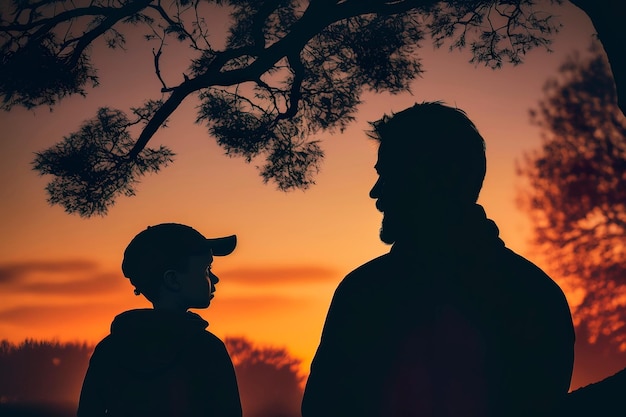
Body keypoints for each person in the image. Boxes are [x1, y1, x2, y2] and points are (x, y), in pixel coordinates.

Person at [301, 102, 575, 417]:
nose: (376, 193)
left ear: (431, 180)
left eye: (389, 175)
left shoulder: (363, 294)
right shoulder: (536, 293)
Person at [77, 223, 243, 417]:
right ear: (172, 280)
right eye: (206, 269)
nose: (215, 279)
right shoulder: (207, 349)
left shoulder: (110, 349)